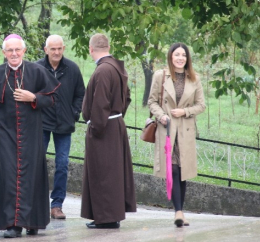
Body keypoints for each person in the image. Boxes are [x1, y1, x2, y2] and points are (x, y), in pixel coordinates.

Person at [0, 34, 60, 238]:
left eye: (17, 50)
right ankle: (13, 224)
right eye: (9, 50)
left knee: (32, 177)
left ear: (23, 51)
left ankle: (32, 222)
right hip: (5, 135)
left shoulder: (37, 71)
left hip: (31, 134)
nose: (14, 54)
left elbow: (52, 99)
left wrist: (33, 97)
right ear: (4, 53)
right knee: (9, 177)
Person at [81, 33, 137, 229]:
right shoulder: (116, 67)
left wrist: (96, 127)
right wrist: (118, 116)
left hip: (104, 128)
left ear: (91, 49)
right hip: (114, 124)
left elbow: (100, 103)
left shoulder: (103, 70)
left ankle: (106, 218)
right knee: (112, 173)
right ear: (108, 46)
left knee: (103, 173)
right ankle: (109, 216)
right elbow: (127, 97)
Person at [148, 42, 205, 227]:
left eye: (183, 55)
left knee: (183, 172)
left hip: (185, 131)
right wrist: (162, 116)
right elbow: (152, 102)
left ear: (187, 58)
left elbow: (201, 105)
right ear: (171, 57)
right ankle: (178, 212)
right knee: (172, 168)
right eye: (177, 54)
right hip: (167, 129)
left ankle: (180, 211)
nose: (180, 58)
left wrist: (185, 112)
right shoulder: (160, 76)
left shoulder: (194, 79)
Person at [36, 34, 85, 219]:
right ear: (46, 49)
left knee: (62, 164)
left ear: (63, 48)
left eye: (59, 48)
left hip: (64, 124)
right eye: (52, 49)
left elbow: (81, 93)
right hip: (41, 124)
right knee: (37, 163)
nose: (56, 52)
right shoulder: (37, 68)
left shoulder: (72, 68)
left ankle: (57, 205)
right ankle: (37, 203)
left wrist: (74, 113)